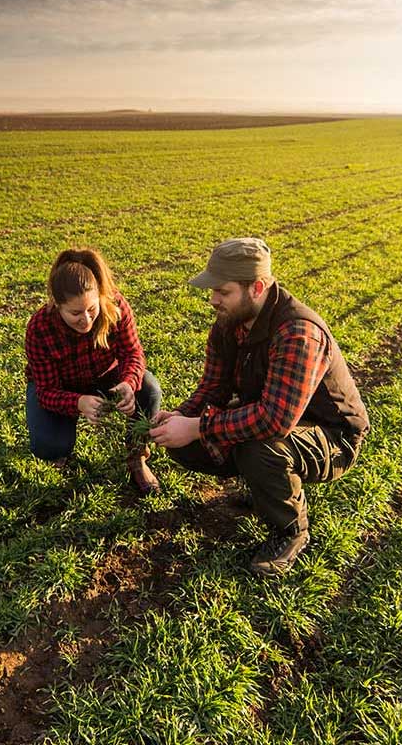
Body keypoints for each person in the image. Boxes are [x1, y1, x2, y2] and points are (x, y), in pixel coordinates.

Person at [149, 237, 369, 576]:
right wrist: (182, 416)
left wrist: (197, 427)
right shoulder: (228, 324)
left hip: (332, 436)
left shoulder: (298, 332)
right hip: (276, 420)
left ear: (258, 287)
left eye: (223, 292)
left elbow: (274, 420)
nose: (213, 301)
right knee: (188, 446)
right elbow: (213, 388)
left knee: (260, 447)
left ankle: (291, 532)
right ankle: (264, 488)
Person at [24, 248, 162, 494]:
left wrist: (129, 383)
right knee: (48, 446)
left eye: (92, 309)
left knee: (149, 389)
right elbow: (45, 391)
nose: (86, 320)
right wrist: (78, 402)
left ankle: (137, 456)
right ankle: (60, 449)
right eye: (75, 313)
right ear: (57, 304)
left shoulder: (115, 306)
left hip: (105, 375)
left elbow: (133, 354)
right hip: (62, 386)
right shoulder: (39, 327)